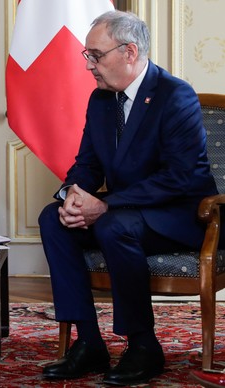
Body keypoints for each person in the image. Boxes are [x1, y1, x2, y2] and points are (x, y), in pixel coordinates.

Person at [38, 10, 217, 386]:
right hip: (123, 211)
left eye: (95, 55)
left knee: (115, 226)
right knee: (53, 219)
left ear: (129, 52)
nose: (88, 65)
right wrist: (73, 194)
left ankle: (143, 346)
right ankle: (88, 342)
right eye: (87, 55)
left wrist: (104, 205)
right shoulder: (101, 100)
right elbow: (87, 164)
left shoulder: (174, 95)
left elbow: (179, 178)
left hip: (180, 215)